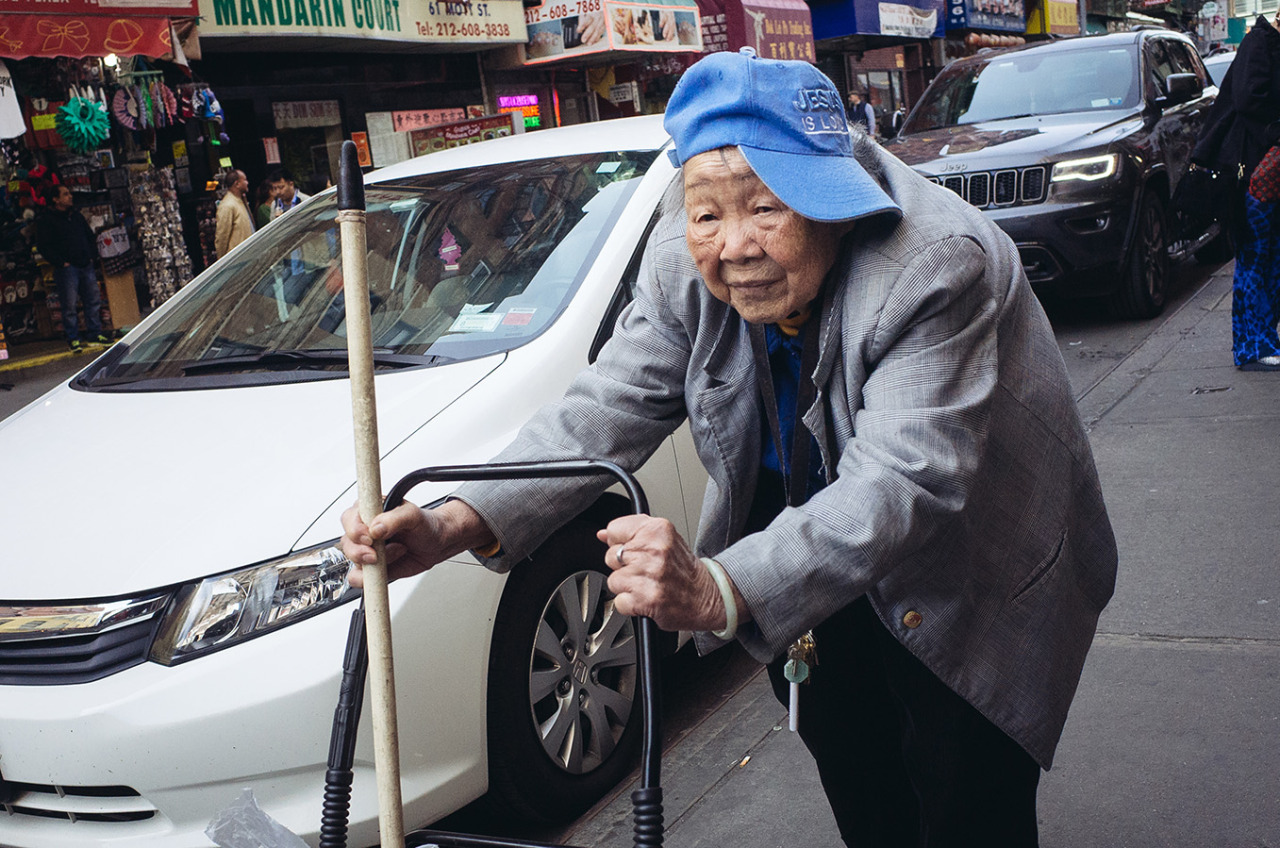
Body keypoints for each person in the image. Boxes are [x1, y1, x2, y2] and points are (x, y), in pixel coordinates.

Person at [340, 49, 1118, 847]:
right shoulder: (683, 262)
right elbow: (608, 402)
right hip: (813, 567)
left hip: (972, 568)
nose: (734, 245)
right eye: (707, 212)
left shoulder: (934, 263)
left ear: (832, 203)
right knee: (864, 787)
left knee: (968, 806)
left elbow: (903, 483)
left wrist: (718, 585)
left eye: (767, 207)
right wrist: (455, 520)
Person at [1191, 11, 1280, 370]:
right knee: (1255, 258)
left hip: (1269, 171)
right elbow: (1248, 100)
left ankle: (1264, 338)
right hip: (1254, 171)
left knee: (1271, 258)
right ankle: (1249, 348)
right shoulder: (1259, 42)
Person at [34, 184, 111, 352]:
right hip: (67, 267)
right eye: (65, 194)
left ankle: (94, 333)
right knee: (69, 304)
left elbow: (89, 237)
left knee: (93, 299)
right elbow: (44, 246)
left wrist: (91, 256)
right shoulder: (47, 220)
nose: (70, 197)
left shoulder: (76, 216)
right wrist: (61, 262)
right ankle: (73, 338)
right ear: (56, 199)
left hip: (85, 264)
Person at [214, 169, 254, 259]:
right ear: (237, 184)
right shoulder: (227, 205)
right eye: (245, 180)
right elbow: (222, 236)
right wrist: (222, 261)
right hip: (239, 259)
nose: (247, 183)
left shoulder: (240, 200)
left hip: (249, 255)